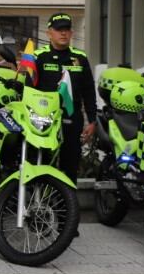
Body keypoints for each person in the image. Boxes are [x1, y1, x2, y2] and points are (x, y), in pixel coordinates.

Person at [31, 13, 98, 181]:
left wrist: (91, 120)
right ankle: (39, 200)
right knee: (42, 161)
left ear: (72, 33)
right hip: (43, 116)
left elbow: (89, 91)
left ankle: (69, 203)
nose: (63, 33)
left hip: (71, 115)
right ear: (49, 33)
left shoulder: (80, 58)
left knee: (70, 162)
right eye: (59, 29)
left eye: (66, 29)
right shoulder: (39, 56)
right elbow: (29, 89)